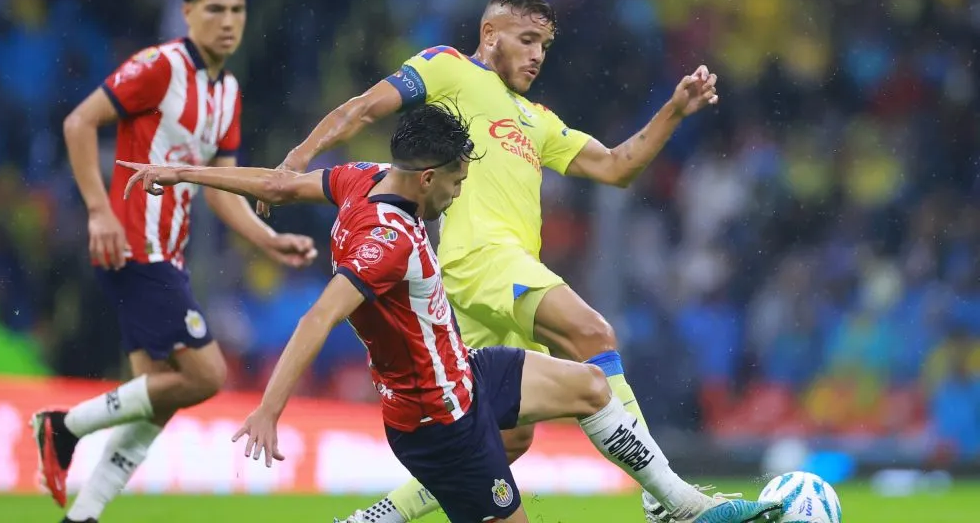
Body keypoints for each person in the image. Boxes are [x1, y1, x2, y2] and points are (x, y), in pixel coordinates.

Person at [115, 102, 781, 523]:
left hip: (464, 375)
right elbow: (318, 319)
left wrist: (187, 176)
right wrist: (268, 407)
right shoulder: (388, 243)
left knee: (590, 384)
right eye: (459, 180)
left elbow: (281, 184)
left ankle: (681, 506)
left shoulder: (363, 180)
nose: (461, 193)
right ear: (429, 175)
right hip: (440, 422)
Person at [263, 0, 732, 523]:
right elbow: (364, 108)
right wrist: (294, 162)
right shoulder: (448, 68)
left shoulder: (537, 119)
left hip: (484, 283)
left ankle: (375, 519)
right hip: (480, 258)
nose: (537, 55)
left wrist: (673, 110)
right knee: (593, 334)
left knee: (504, 437)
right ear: (491, 35)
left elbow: (616, 167)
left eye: (545, 46)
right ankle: (667, 499)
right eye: (528, 39)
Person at [31, 0, 317, 523]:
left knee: (158, 396)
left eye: (237, 10)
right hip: (135, 245)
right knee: (205, 376)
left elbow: (219, 189)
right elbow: (78, 123)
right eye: (214, 8)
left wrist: (267, 239)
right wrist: (98, 211)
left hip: (169, 253)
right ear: (188, 12)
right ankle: (62, 427)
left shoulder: (228, 92)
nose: (228, 21)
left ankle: (81, 516)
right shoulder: (161, 67)